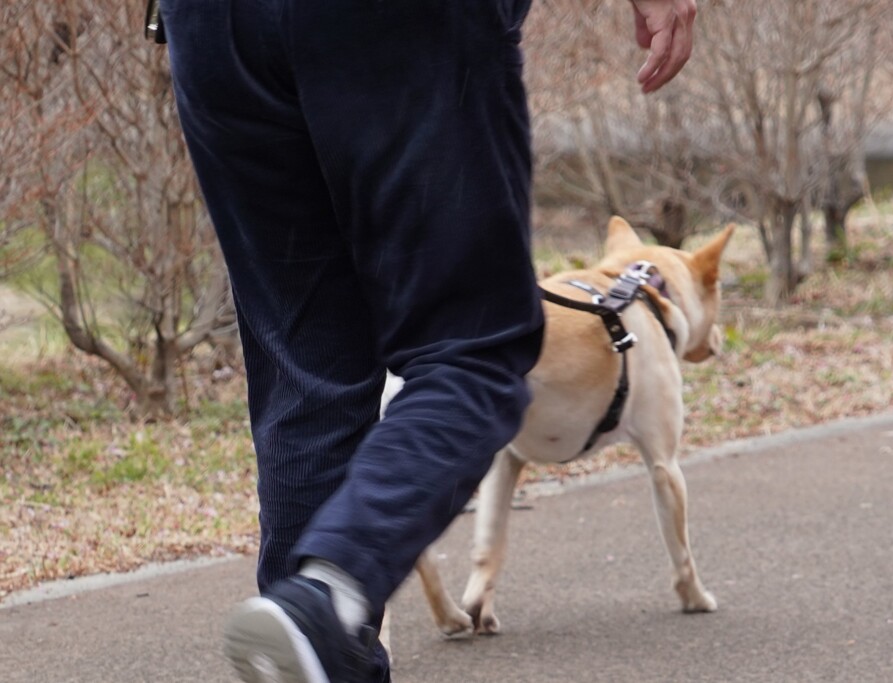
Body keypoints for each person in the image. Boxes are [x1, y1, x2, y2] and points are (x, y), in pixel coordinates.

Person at [159, 1, 697, 681]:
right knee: (477, 354)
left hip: (215, 31)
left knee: (309, 381)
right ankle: (330, 591)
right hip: (398, 26)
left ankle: (310, 625)